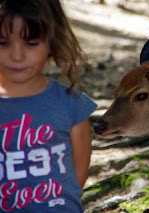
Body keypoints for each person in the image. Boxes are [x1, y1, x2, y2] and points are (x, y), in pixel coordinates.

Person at [0, 0, 97, 212]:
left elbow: (77, 175)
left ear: (52, 42)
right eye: (3, 43)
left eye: (32, 43)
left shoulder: (71, 104)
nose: (17, 55)